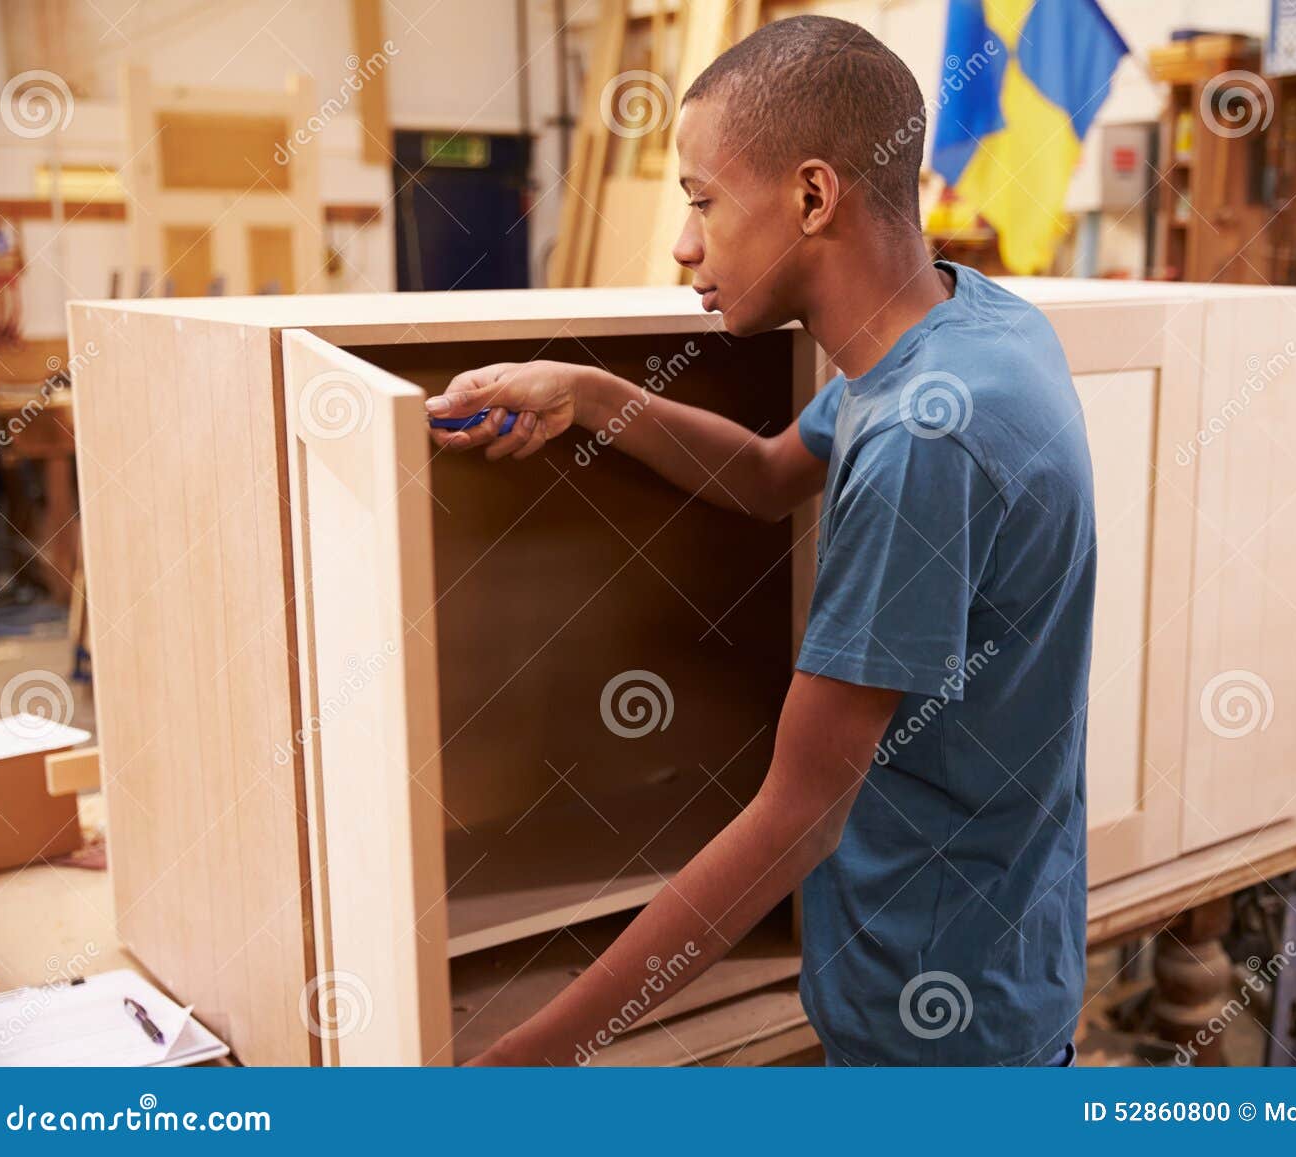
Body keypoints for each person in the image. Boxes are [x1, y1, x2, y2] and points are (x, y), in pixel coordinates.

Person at [429, 14, 1095, 1067]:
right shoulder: (967, 327)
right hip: (987, 950)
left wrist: (536, 1052)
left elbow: (796, 818)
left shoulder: (930, 439)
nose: (684, 242)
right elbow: (766, 473)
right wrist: (596, 392)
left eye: (700, 200)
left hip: (942, 1018)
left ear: (813, 196)